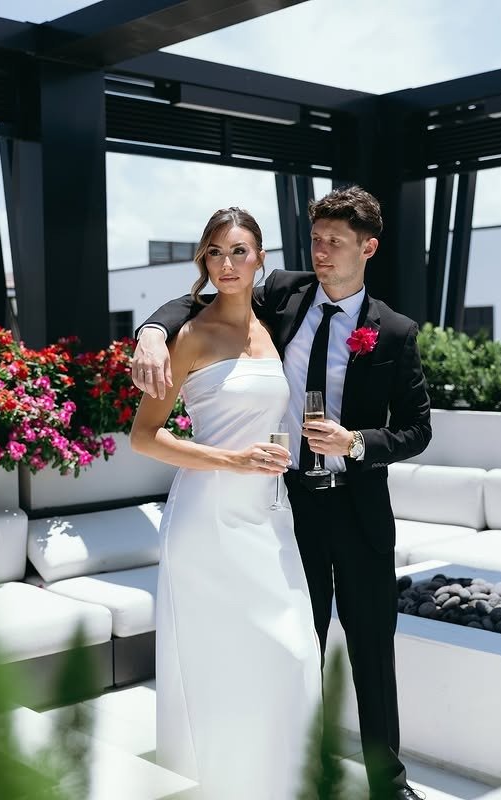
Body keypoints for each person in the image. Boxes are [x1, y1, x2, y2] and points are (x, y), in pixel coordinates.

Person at [133, 186, 432, 800]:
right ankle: (300, 771)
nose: (321, 253)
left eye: (336, 243)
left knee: (372, 651)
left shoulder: (395, 333)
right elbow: (212, 287)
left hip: (359, 510)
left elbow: (417, 430)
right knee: (298, 650)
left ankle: (389, 783)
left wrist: (355, 442)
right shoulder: (283, 295)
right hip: (286, 507)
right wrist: (152, 330)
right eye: (316, 240)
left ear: (368, 248)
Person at [129, 207, 322, 800]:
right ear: (204, 262)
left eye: (240, 251)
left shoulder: (275, 320)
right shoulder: (189, 334)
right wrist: (231, 460)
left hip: (269, 511)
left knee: (291, 649)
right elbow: (144, 436)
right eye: (216, 253)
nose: (228, 264)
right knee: (224, 657)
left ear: (261, 258)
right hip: (206, 514)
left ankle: (283, 781)